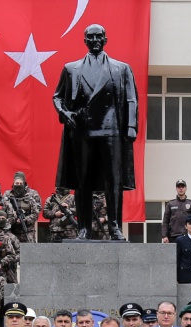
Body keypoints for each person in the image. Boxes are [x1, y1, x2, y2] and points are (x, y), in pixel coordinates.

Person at [52, 24, 137, 240]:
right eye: (91, 37)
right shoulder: (71, 69)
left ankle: (115, 226)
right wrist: (66, 113)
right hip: (83, 131)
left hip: (111, 130)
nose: (95, 40)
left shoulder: (121, 68)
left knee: (113, 181)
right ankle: (84, 228)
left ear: (106, 39)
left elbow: (130, 99)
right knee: (84, 182)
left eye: (99, 36)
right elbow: (57, 97)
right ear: (85, 41)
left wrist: (130, 127)